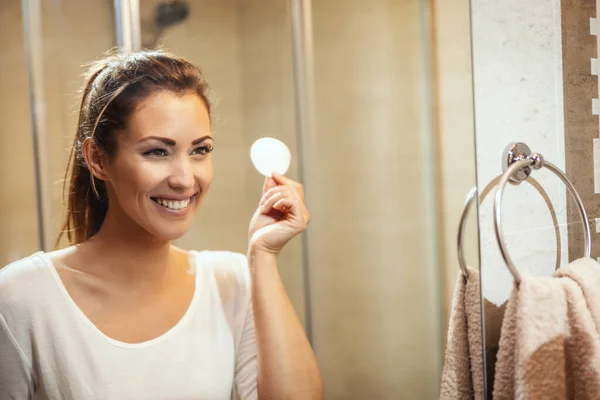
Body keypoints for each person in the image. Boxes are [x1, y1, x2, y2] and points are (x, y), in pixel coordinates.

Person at [0, 50, 323, 399]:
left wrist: (264, 255)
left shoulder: (232, 281)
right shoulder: (22, 298)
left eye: (200, 150)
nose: (185, 180)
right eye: (157, 152)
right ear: (97, 159)